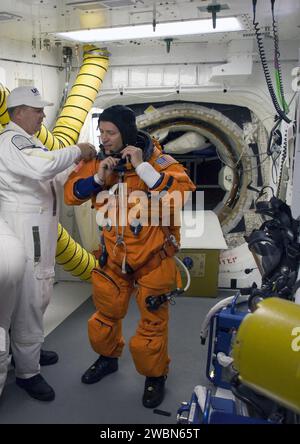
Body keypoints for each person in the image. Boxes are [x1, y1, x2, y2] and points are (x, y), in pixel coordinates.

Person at [64, 105, 196, 408]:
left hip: (153, 258)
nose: (104, 138)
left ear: (126, 132)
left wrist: (143, 168)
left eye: (110, 133)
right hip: (114, 257)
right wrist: (98, 179)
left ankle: (155, 376)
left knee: (152, 323)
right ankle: (108, 358)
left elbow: (182, 194)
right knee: (105, 315)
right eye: (101, 133)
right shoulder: (101, 162)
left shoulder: (157, 160)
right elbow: (72, 193)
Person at [0, 86, 96, 401]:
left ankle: (30, 352)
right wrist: (78, 150)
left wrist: (75, 169)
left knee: (39, 295)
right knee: (32, 298)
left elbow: (49, 175)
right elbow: (42, 167)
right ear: (19, 112)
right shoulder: (12, 140)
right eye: (38, 110)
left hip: (39, 228)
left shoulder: (32, 142)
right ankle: (28, 373)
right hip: (26, 230)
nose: (43, 115)